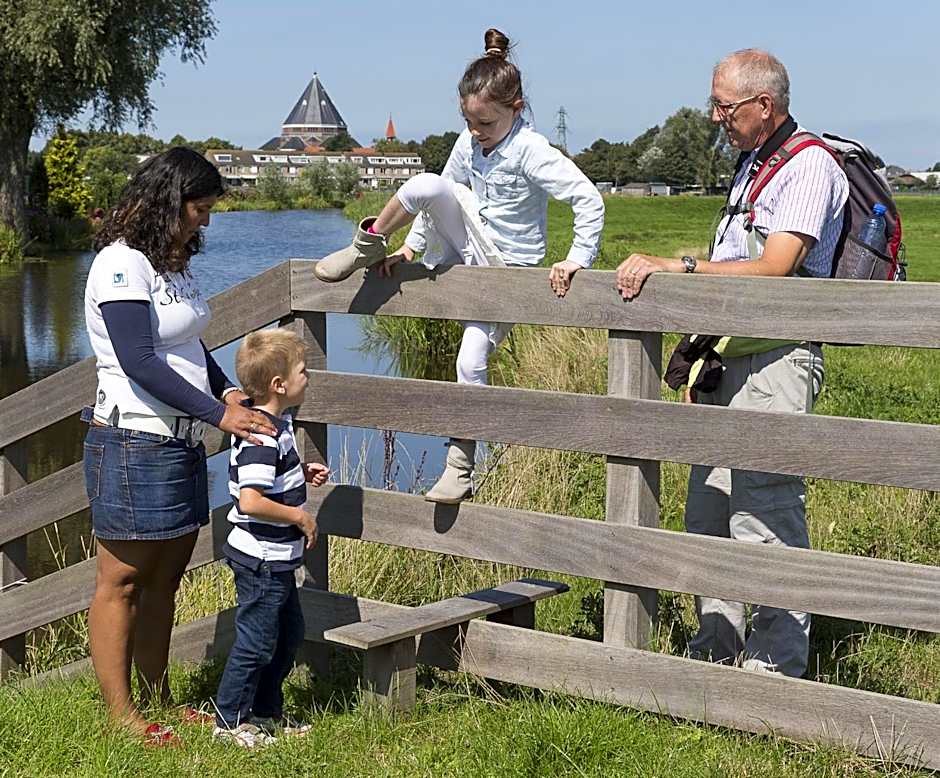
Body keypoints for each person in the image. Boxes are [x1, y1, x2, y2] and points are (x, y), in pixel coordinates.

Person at [614, 49, 849, 677]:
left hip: (775, 358)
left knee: (764, 509)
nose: (715, 116)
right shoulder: (754, 164)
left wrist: (680, 268)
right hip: (726, 356)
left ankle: (776, 664)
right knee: (710, 506)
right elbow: (733, 259)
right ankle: (716, 647)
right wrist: (699, 350)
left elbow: (775, 267)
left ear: (763, 106)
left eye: (724, 105)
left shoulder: (808, 167)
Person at [313, 28, 605, 504]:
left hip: (506, 271)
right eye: (469, 121)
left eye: (486, 122)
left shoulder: (532, 151)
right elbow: (440, 196)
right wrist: (410, 251)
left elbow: (588, 200)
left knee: (469, 361)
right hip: (468, 249)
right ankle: (367, 244)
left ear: (516, 108)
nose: (476, 131)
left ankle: (461, 465)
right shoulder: (468, 144)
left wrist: (575, 259)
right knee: (428, 183)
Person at [83, 147, 278, 743]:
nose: (206, 221)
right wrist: (219, 414)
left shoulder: (169, 265)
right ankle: (122, 718)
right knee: (121, 580)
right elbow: (139, 360)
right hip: (132, 440)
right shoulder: (120, 264)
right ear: (169, 201)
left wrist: (228, 393)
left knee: (167, 577)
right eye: (199, 207)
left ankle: (157, 698)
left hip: (180, 440)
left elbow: (190, 349)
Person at [213, 328, 329, 749]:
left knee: (287, 635)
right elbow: (251, 501)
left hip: (277, 559)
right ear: (280, 385)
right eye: (303, 370)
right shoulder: (262, 436)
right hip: (261, 558)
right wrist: (299, 515)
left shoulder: (278, 424)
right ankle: (229, 721)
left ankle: (264, 713)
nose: (308, 375)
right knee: (257, 642)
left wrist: (302, 477)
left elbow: (269, 484)